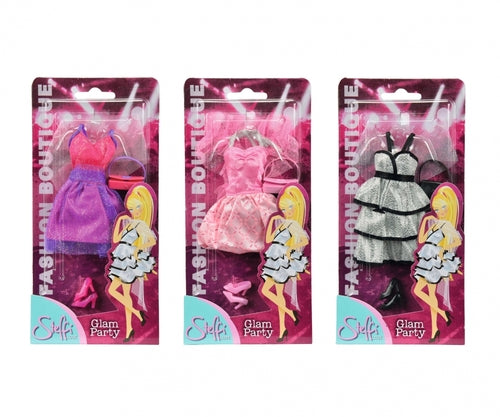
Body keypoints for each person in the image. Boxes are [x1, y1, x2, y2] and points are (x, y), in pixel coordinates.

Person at [412, 184, 462, 343]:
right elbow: (421, 239)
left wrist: (442, 250)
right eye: (437, 209)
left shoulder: (446, 225)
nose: (439, 212)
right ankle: (437, 324)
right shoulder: (435, 223)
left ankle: (438, 322)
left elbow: (457, 240)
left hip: (433, 261)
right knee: (425, 293)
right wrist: (426, 219)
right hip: (427, 260)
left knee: (420, 291)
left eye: (442, 208)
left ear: (449, 207)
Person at [107, 184, 157, 343]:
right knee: (117, 291)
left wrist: (137, 249)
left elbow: (152, 240)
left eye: (137, 208)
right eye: (131, 209)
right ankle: (133, 320)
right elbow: (116, 239)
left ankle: (132, 323)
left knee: (118, 291)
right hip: (121, 259)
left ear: (143, 207)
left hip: (128, 261)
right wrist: (121, 220)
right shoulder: (129, 222)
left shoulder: (141, 225)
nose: (134, 211)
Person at [260, 184, 309, 343]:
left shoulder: (294, 225)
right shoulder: (282, 223)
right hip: (274, 259)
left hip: (281, 261)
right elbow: (269, 239)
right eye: (284, 209)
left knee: (272, 292)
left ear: (296, 206)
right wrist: (273, 219)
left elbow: (304, 240)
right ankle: (287, 318)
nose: (287, 212)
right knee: (270, 291)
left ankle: (284, 326)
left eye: (289, 208)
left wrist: (290, 249)